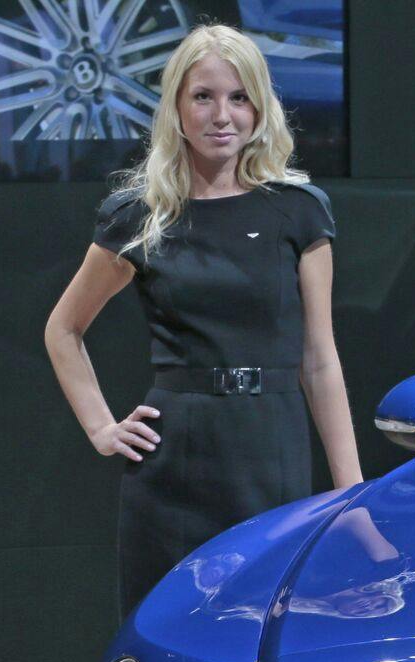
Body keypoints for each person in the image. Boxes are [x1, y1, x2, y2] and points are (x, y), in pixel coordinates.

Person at [43, 24, 361, 617]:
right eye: (204, 96)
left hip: (271, 456)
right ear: (177, 108)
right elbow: (63, 330)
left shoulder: (299, 211)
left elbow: (319, 360)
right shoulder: (140, 215)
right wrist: (101, 428)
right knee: (166, 636)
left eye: (239, 97)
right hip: (173, 467)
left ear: (261, 107)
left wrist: (351, 497)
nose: (223, 115)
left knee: (264, 638)